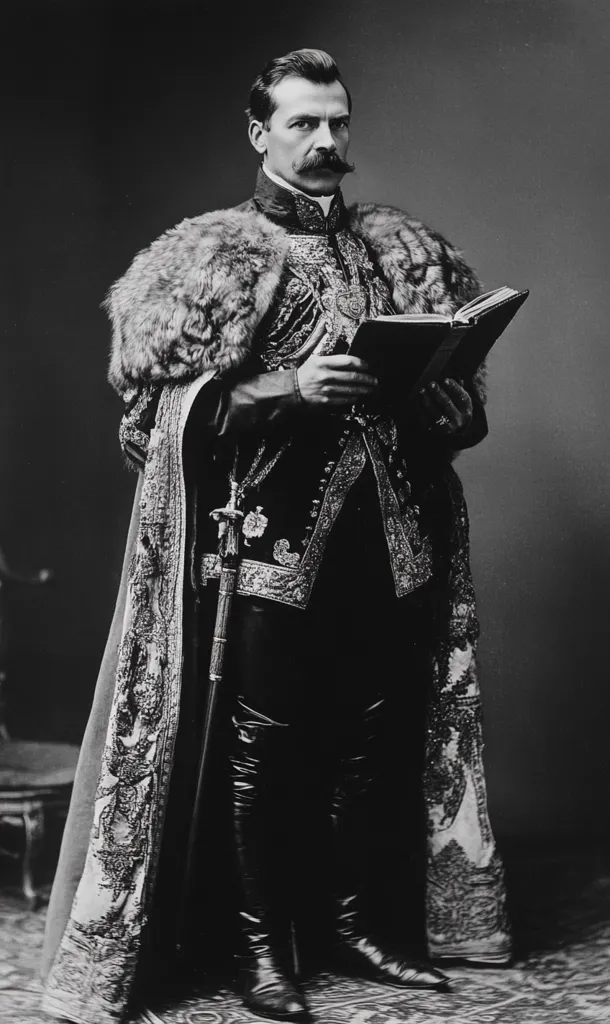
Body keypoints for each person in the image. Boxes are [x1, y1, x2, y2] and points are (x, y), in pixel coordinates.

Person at [41, 48, 511, 1024]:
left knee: (373, 740)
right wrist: (283, 390)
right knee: (268, 753)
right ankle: (266, 953)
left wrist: (440, 378)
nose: (327, 141)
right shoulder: (210, 259)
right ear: (261, 132)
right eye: (304, 124)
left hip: (386, 540)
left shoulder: (399, 250)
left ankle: (356, 926)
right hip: (264, 543)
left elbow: (459, 415)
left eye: (337, 122)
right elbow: (160, 417)